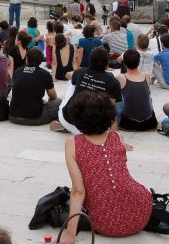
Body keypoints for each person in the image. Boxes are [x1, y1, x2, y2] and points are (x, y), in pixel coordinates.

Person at [61, 90, 153, 241]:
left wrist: (70, 234)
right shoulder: (117, 137)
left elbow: (78, 191)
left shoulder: (73, 143)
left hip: (106, 222)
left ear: (76, 117)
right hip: (140, 213)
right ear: (109, 115)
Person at [57, 48, 122, 135]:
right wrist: (116, 137)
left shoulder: (81, 72)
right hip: (95, 128)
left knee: (72, 82)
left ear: (90, 60)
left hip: (69, 121)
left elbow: (68, 75)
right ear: (107, 62)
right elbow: (112, 112)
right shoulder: (112, 81)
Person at [9, 47, 61, 125]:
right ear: (40, 61)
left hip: (13, 116)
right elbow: (53, 97)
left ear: (26, 59)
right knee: (59, 102)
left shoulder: (18, 71)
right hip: (34, 119)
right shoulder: (45, 74)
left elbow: (19, 91)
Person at [115, 49, 157, 130]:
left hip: (128, 124)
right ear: (139, 62)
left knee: (116, 100)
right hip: (149, 123)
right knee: (148, 97)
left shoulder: (120, 77)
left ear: (125, 63)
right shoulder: (146, 76)